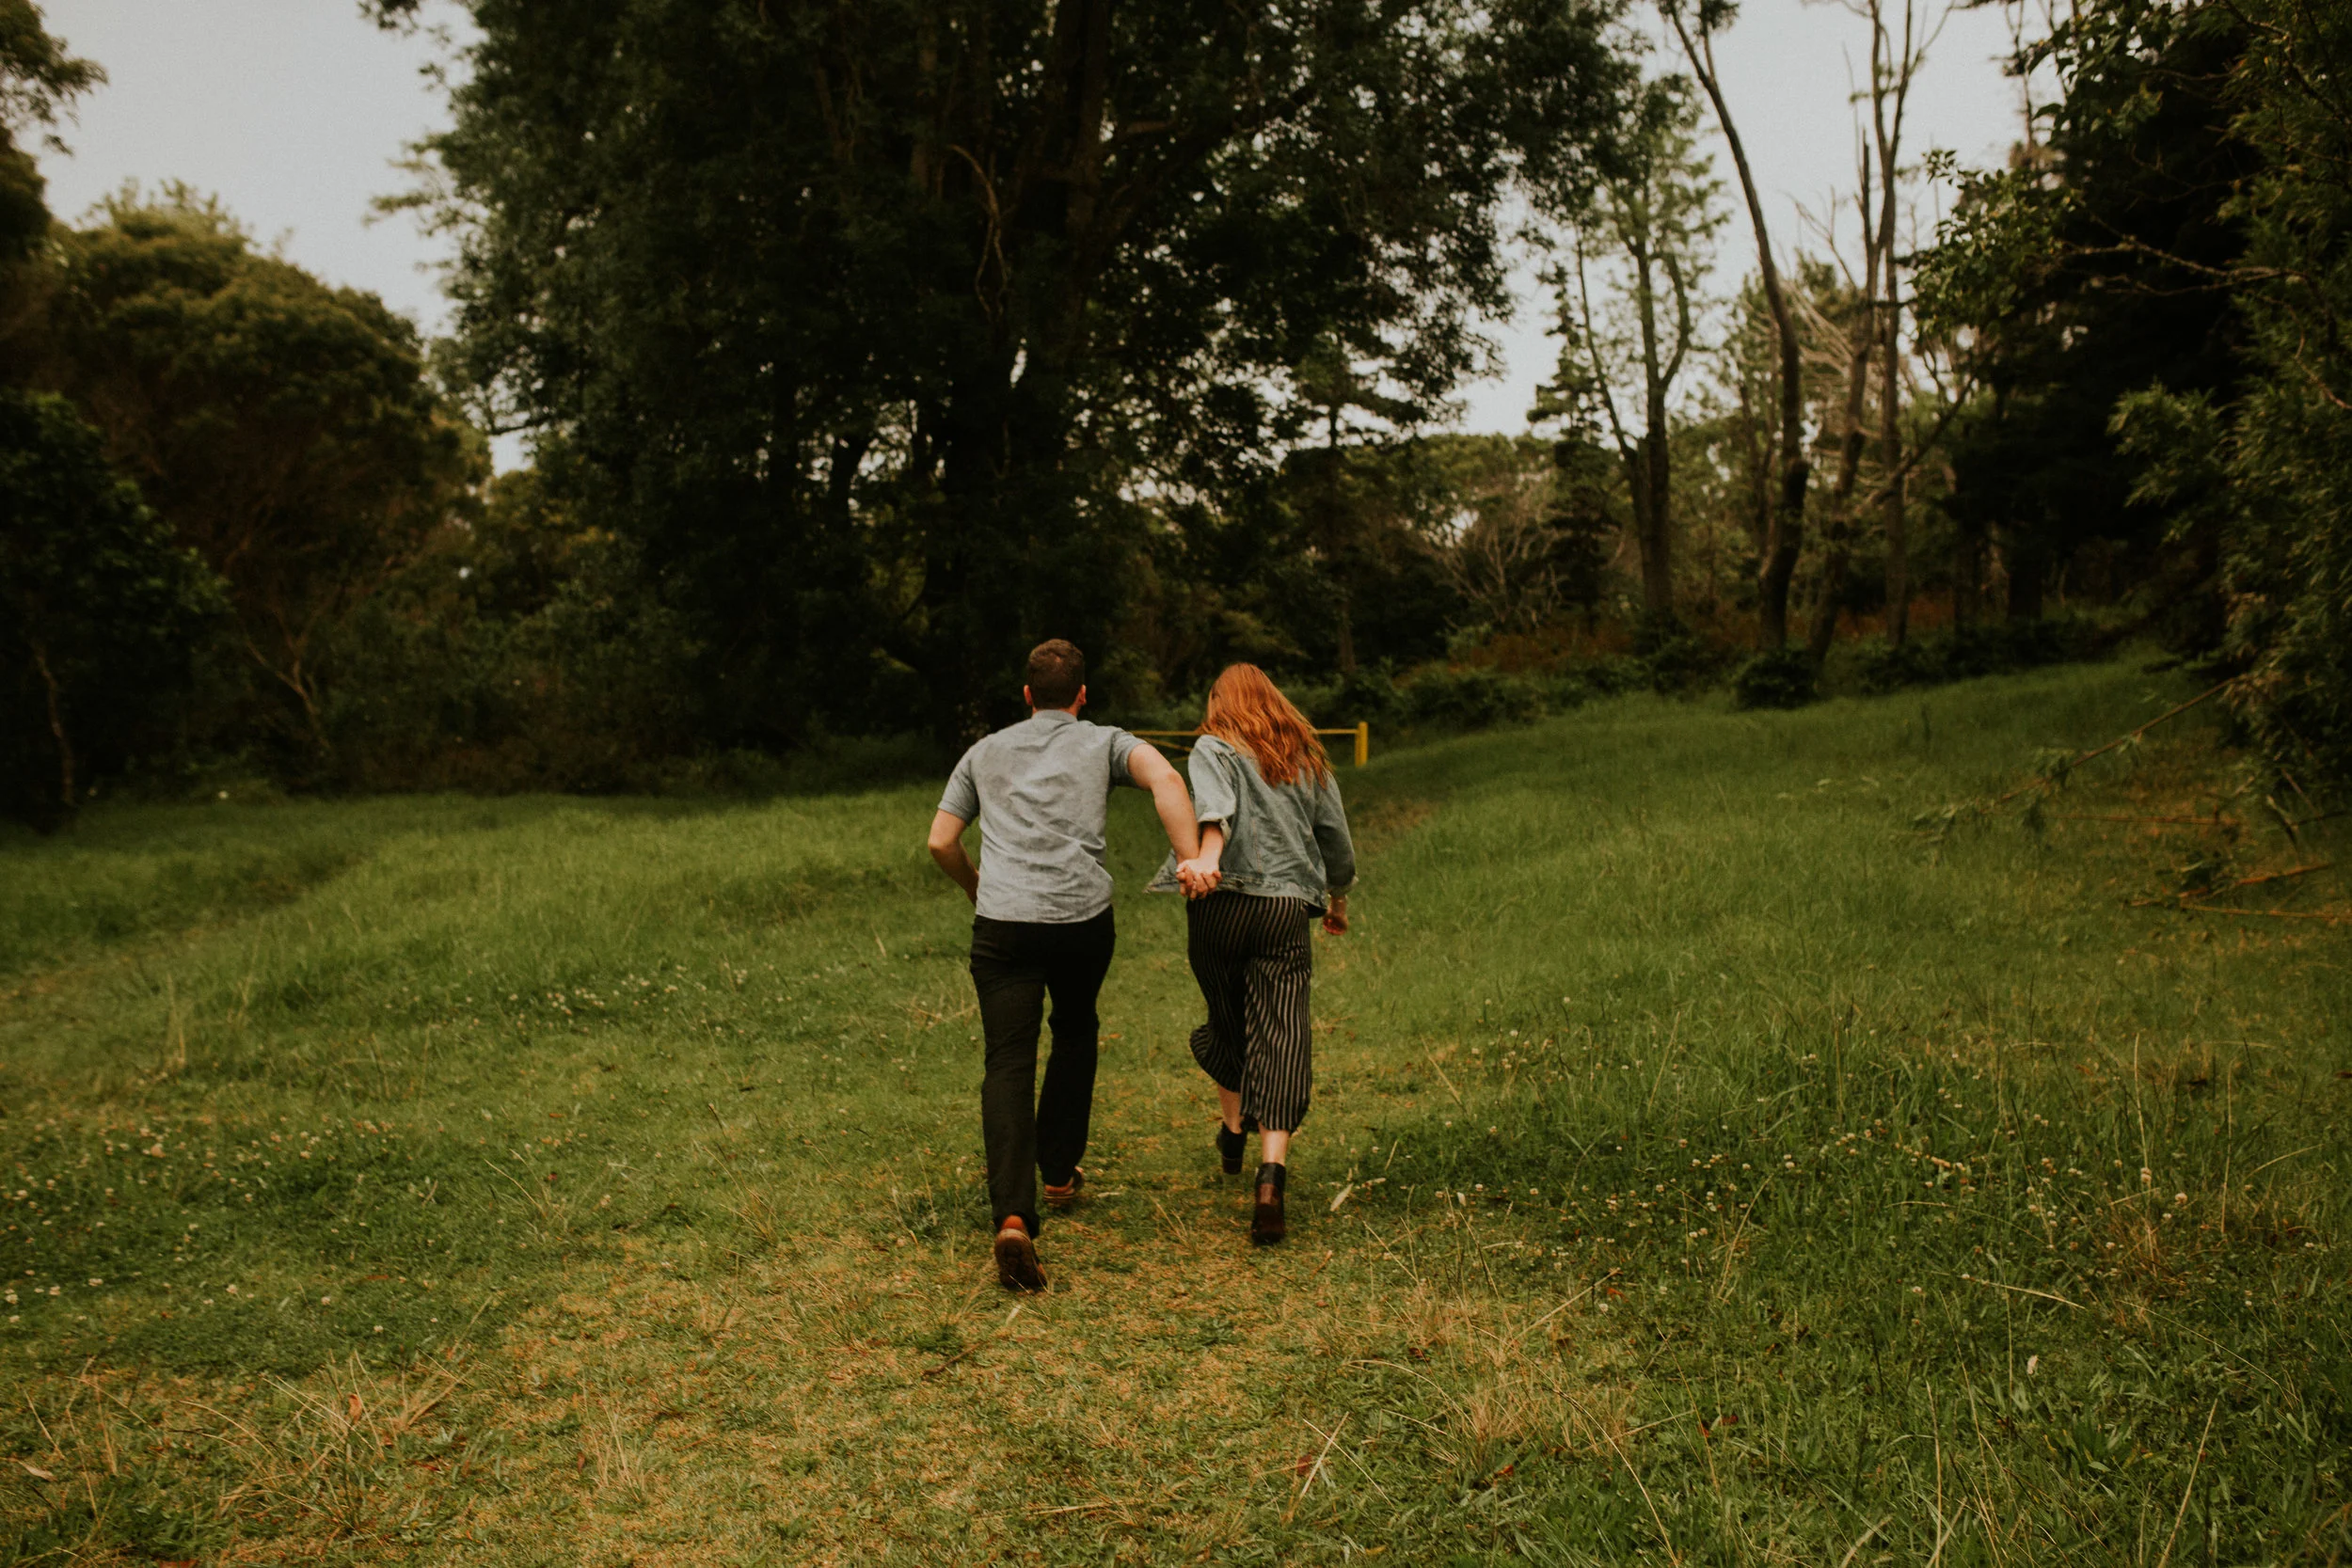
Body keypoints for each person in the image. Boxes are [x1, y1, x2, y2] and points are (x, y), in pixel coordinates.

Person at [928, 639, 1201, 1291]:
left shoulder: (983, 751)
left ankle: (1013, 1216)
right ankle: (1057, 1171)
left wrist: (975, 886)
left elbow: (941, 841)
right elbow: (1167, 779)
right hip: (1081, 922)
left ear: (1027, 695)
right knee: (1075, 1029)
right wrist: (1191, 859)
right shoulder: (1105, 742)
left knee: (1008, 1061)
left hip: (1003, 924)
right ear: (1082, 695)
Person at [1159, 663, 1356, 1246]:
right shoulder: (1305, 758)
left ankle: (1232, 1130)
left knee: (1229, 1021)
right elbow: (1336, 840)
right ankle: (1271, 1177)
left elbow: (1215, 809)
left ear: (1219, 702)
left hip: (1220, 905)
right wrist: (1338, 900)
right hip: (1284, 911)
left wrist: (1209, 859)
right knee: (1282, 1031)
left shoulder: (1212, 747)